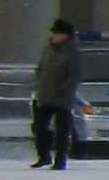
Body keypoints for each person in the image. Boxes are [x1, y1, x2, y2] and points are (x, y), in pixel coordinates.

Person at [31, 17, 80, 170]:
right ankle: (44, 156)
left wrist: (64, 89)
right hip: (45, 96)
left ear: (65, 35)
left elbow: (75, 75)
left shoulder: (72, 52)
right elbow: (40, 69)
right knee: (39, 128)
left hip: (62, 98)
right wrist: (39, 85)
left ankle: (60, 160)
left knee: (62, 131)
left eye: (57, 33)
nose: (54, 36)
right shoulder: (48, 50)